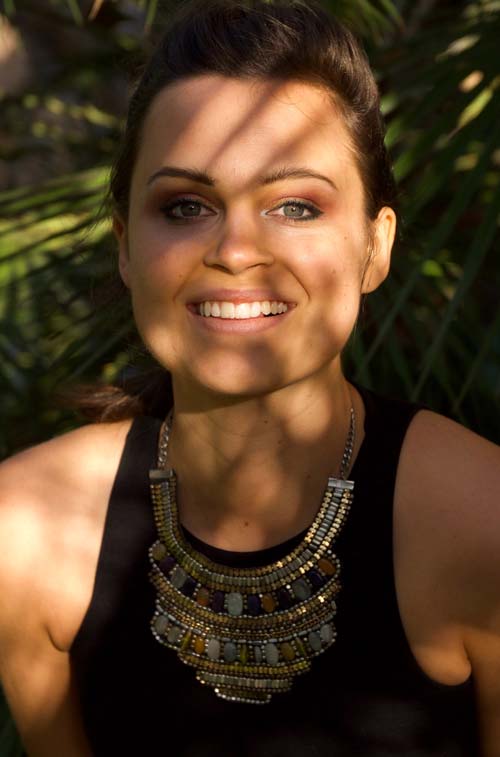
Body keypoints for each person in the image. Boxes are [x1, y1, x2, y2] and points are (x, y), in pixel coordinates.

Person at [0, 0, 499, 754]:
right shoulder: (24, 534)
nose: (236, 250)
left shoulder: (482, 523)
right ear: (126, 246)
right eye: (186, 205)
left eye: (296, 205)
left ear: (375, 245)